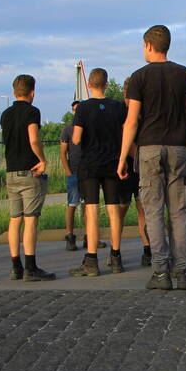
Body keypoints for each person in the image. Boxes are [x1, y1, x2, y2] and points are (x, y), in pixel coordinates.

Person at [117, 24, 186, 291]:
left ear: (149, 45)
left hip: (149, 150)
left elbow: (131, 121)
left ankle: (160, 273)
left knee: (153, 211)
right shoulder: (185, 74)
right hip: (178, 149)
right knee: (180, 212)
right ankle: (183, 273)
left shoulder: (139, 77)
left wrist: (122, 157)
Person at [70, 68, 128, 277]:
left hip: (90, 164)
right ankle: (116, 257)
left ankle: (92, 260)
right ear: (106, 84)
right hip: (112, 163)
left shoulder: (83, 108)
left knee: (92, 211)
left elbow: (76, 138)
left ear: (89, 85)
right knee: (114, 210)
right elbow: (126, 131)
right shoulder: (118, 106)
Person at [0, 73, 54, 282]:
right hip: (29, 171)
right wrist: (42, 159)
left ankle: (16, 266)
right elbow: (33, 139)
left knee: (15, 219)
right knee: (31, 220)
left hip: (11, 172)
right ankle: (31, 267)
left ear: (15, 92)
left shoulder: (5, 114)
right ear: (32, 92)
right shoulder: (32, 112)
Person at [120, 77, 152, 267]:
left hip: (134, 168)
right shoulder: (129, 112)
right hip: (133, 167)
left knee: (138, 210)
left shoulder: (135, 111)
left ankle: (145, 249)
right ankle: (118, 250)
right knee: (130, 210)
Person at [60, 100, 84, 252]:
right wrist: (68, 171)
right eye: (75, 109)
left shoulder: (88, 128)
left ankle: (90, 236)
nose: (77, 112)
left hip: (88, 173)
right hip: (73, 172)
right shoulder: (67, 130)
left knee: (89, 206)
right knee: (72, 204)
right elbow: (63, 152)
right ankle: (69, 236)